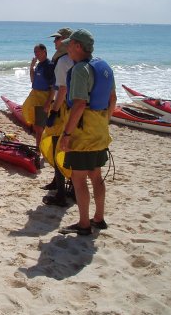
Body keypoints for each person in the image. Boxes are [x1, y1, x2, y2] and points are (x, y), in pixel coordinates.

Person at [58, 29, 117, 236]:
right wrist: (103, 122)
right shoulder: (104, 66)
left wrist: (66, 135)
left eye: (69, 44)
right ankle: (99, 218)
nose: (67, 48)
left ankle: (84, 224)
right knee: (96, 175)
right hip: (99, 131)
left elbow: (79, 104)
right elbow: (113, 100)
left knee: (79, 178)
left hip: (82, 135)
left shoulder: (80, 70)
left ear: (78, 46)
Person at [40, 28, 75, 207]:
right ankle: (65, 186)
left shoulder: (62, 61)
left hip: (62, 109)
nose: (55, 42)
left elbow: (62, 88)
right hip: (74, 108)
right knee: (70, 149)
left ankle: (61, 193)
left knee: (56, 147)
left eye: (58, 39)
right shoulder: (76, 59)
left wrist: (52, 111)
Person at [21, 44, 55, 148]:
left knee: (39, 128)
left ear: (44, 51)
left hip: (43, 100)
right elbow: (32, 80)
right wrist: (32, 66)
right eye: (34, 52)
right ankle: (40, 148)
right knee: (37, 126)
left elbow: (53, 87)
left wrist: (48, 103)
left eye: (37, 52)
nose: (36, 54)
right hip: (35, 98)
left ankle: (39, 150)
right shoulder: (39, 65)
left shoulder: (49, 66)